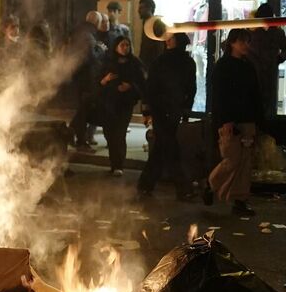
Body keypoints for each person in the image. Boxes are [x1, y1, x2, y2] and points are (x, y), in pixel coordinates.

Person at [206, 28, 262, 216]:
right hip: (230, 120)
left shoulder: (248, 65)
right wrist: (226, 120)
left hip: (247, 119)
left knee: (245, 162)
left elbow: (255, 94)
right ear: (232, 43)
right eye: (242, 41)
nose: (245, 45)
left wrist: (257, 118)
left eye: (247, 41)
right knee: (232, 158)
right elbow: (220, 96)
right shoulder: (224, 66)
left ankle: (240, 200)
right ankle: (211, 184)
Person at [139, 31, 196, 200]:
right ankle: (183, 187)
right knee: (170, 146)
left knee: (163, 147)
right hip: (173, 108)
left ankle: (146, 184)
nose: (167, 41)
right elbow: (191, 88)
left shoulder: (161, 61)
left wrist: (148, 109)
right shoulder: (187, 62)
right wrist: (186, 107)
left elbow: (151, 86)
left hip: (161, 107)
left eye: (170, 39)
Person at [97, 35, 146, 176]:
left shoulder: (134, 63)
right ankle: (113, 163)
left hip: (125, 104)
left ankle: (119, 165)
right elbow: (97, 81)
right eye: (122, 45)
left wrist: (130, 87)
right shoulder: (107, 61)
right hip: (108, 103)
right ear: (116, 46)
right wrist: (105, 80)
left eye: (127, 45)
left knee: (120, 133)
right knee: (110, 134)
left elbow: (142, 83)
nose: (125, 48)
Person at [246, 2, 286, 118]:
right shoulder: (252, 33)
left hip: (264, 73)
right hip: (258, 73)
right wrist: (278, 59)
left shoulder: (253, 32)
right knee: (261, 103)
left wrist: (278, 59)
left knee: (265, 104)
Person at [67, 19, 106, 148]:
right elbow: (90, 58)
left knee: (83, 109)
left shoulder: (79, 32)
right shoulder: (87, 35)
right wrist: (100, 49)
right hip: (86, 80)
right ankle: (78, 139)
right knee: (83, 111)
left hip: (80, 78)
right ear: (97, 22)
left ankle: (71, 134)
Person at [136, 0, 165, 67]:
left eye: (141, 8)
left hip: (154, 64)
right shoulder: (145, 22)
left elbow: (160, 47)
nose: (138, 11)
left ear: (150, 8)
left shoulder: (157, 23)